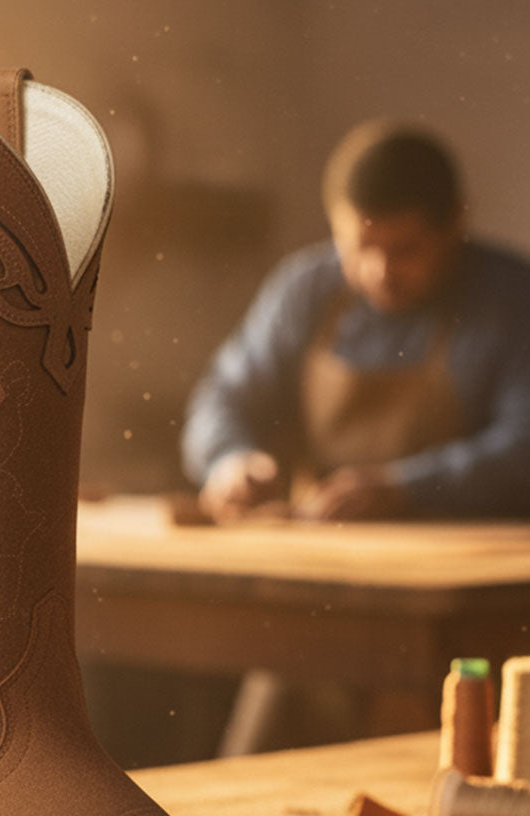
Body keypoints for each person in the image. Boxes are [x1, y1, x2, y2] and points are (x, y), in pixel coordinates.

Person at [183, 119, 530, 521]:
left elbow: (524, 444)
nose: (380, 271)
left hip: (477, 545)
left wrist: (408, 488)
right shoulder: (306, 291)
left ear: (455, 221)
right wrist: (229, 459)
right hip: (326, 541)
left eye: (405, 250)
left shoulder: (511, 298)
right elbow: (224, 395)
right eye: (360, 247)